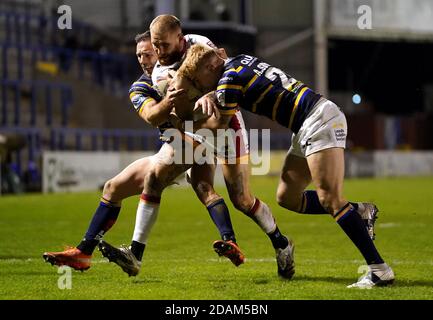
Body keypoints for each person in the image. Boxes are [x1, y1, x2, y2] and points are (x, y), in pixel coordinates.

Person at [175, 44, 394, 289]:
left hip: (318, 120)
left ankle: (379, 270)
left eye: (198, 78)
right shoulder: (240, 62)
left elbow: (219, 125)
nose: (200, 84)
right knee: (287, 197)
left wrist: (182, 121)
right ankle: (359, 211)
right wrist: (211, 94)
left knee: (330, 199)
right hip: (307, 124)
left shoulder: (227, 80)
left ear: (210, 66)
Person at [101, 15, 296, 279]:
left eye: (164, 46)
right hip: (197, 130)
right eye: (155, 46)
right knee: (155, 179)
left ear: (180, 40)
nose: (159, 52)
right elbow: (181, 116)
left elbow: (226, 74)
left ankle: (281, 243)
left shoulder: (200, 44)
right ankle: (135, 254)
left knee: (242, 200)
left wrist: (210, 94)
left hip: (227, 125)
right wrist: (177, 107)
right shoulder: (159, 72)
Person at [42, 31, 242, 275]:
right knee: (112, 188)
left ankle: (139, 253)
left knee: (197, 186)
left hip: (201, 138)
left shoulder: (188, 71)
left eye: (148, 53)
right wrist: (169, 102)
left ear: (160, 52)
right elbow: (150, 116)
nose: (143, 59)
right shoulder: (141, 86)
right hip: (174, 144)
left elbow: (220, 72)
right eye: (138, 55)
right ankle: (84, 253)